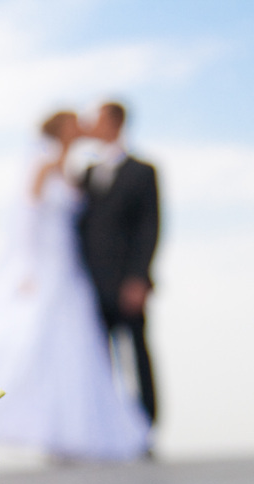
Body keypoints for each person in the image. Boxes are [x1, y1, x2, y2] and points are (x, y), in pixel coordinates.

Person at [0, 110, 150, 461]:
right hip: (44, 264)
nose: (82, 127)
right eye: (74, 123)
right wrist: (26, 266)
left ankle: (68, 432)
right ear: (59, 130)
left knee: (73, 350)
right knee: (28, 340)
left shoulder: (74, 171)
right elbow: (25, 216)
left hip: (70, 268)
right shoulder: (41, 165)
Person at [76, 102, 161, 426]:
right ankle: (104, 430)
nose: (89, 126)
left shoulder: (143, 171)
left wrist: (139, 277)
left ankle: (146, 428)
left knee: (137, 354)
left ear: (115, 123)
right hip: (88, 284)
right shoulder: (84, 175)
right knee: (96, 361)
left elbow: (150, 227)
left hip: (127, 283)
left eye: (95, 120)